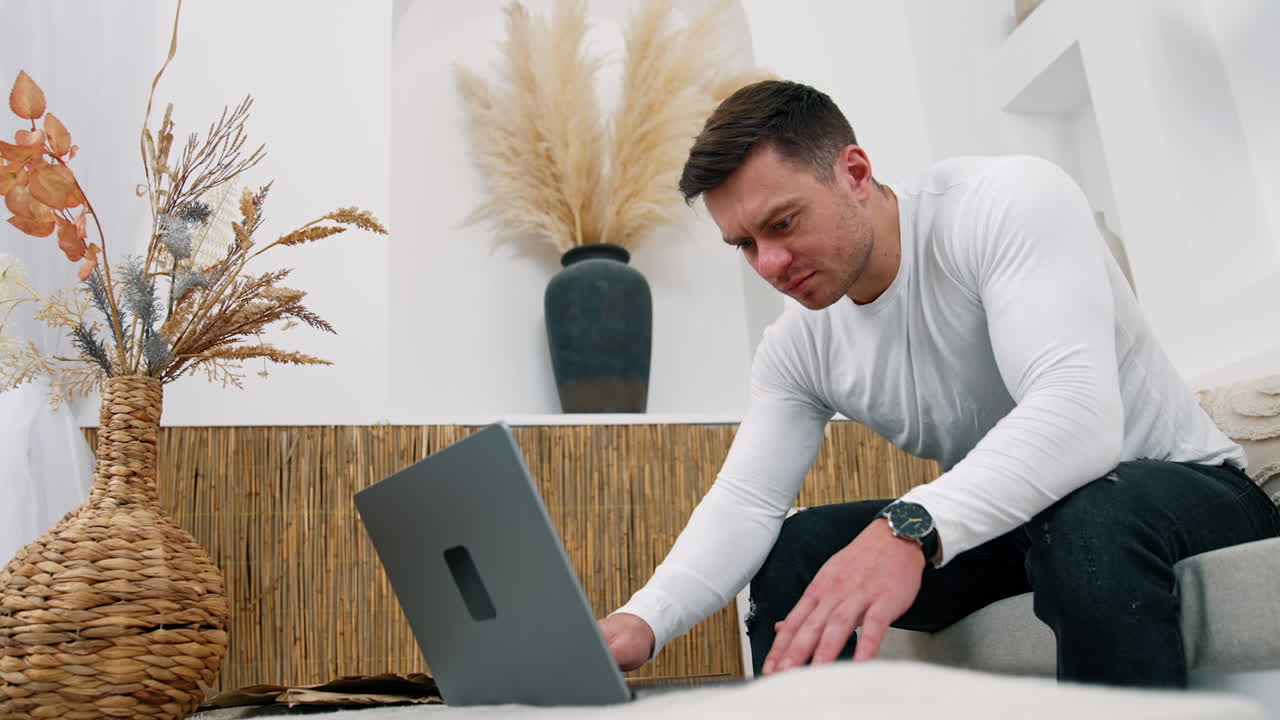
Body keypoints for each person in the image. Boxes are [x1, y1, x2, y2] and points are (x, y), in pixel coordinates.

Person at [596, 79, 1280, 688]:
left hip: (1183, 492)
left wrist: (909, 528)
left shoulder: (1005, 203)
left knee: (1088, 516)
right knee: (799, 545)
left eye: (783, 223)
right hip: (1028, 525)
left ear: (855, 172)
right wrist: (642, 620)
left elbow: (1077, 416)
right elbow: (746, 500)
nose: (770, 262)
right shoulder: (796, 344)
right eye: (744, 244)